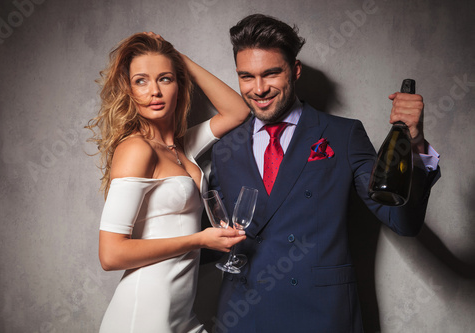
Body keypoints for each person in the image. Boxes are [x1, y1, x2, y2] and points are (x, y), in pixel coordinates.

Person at [209, 14, 440, 332]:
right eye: (246, 77)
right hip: (243, 316)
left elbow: (403, 220)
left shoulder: (343, 135)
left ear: (295, 70)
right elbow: (212, 240)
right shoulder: (225, 149)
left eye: (271, 73)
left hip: (321, 316)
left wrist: (414, 142)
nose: (258, 88)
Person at [87, 32, 250, 332]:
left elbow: (238, 111)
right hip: (142, 316)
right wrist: (199, 240)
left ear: (179, 84)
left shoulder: (180, 146)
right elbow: (110, 255)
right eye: (141, 80)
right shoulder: (137, 149)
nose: (154, 91)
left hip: (180, 316)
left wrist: (180, 59)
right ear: (129, 90)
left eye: (165, 79)